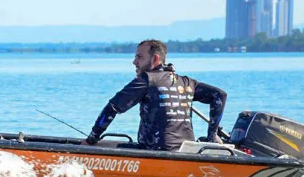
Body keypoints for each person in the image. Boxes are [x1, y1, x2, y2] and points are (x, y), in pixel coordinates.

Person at [85, 39, 227, 150]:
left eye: (139, 57)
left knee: (102, 145)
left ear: (155, 59)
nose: (134, 62)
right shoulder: (187, 83)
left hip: (155, 151)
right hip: (187, 150)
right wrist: (212, 135)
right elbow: (219, 95)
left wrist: (92, 138)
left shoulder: (147, 80)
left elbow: (112, 108)